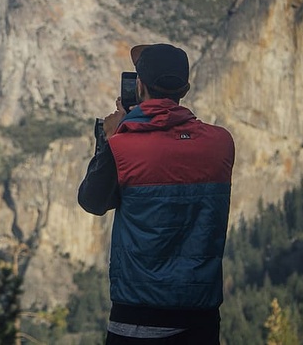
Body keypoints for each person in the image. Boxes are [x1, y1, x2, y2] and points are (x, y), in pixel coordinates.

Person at [77, 43, 235, 344]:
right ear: (184, 89)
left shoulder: (123, 145)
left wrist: (111, 138)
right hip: (201, 318)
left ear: (138, 86)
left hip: (137, 318)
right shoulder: (221, 143)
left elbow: (93, 201)